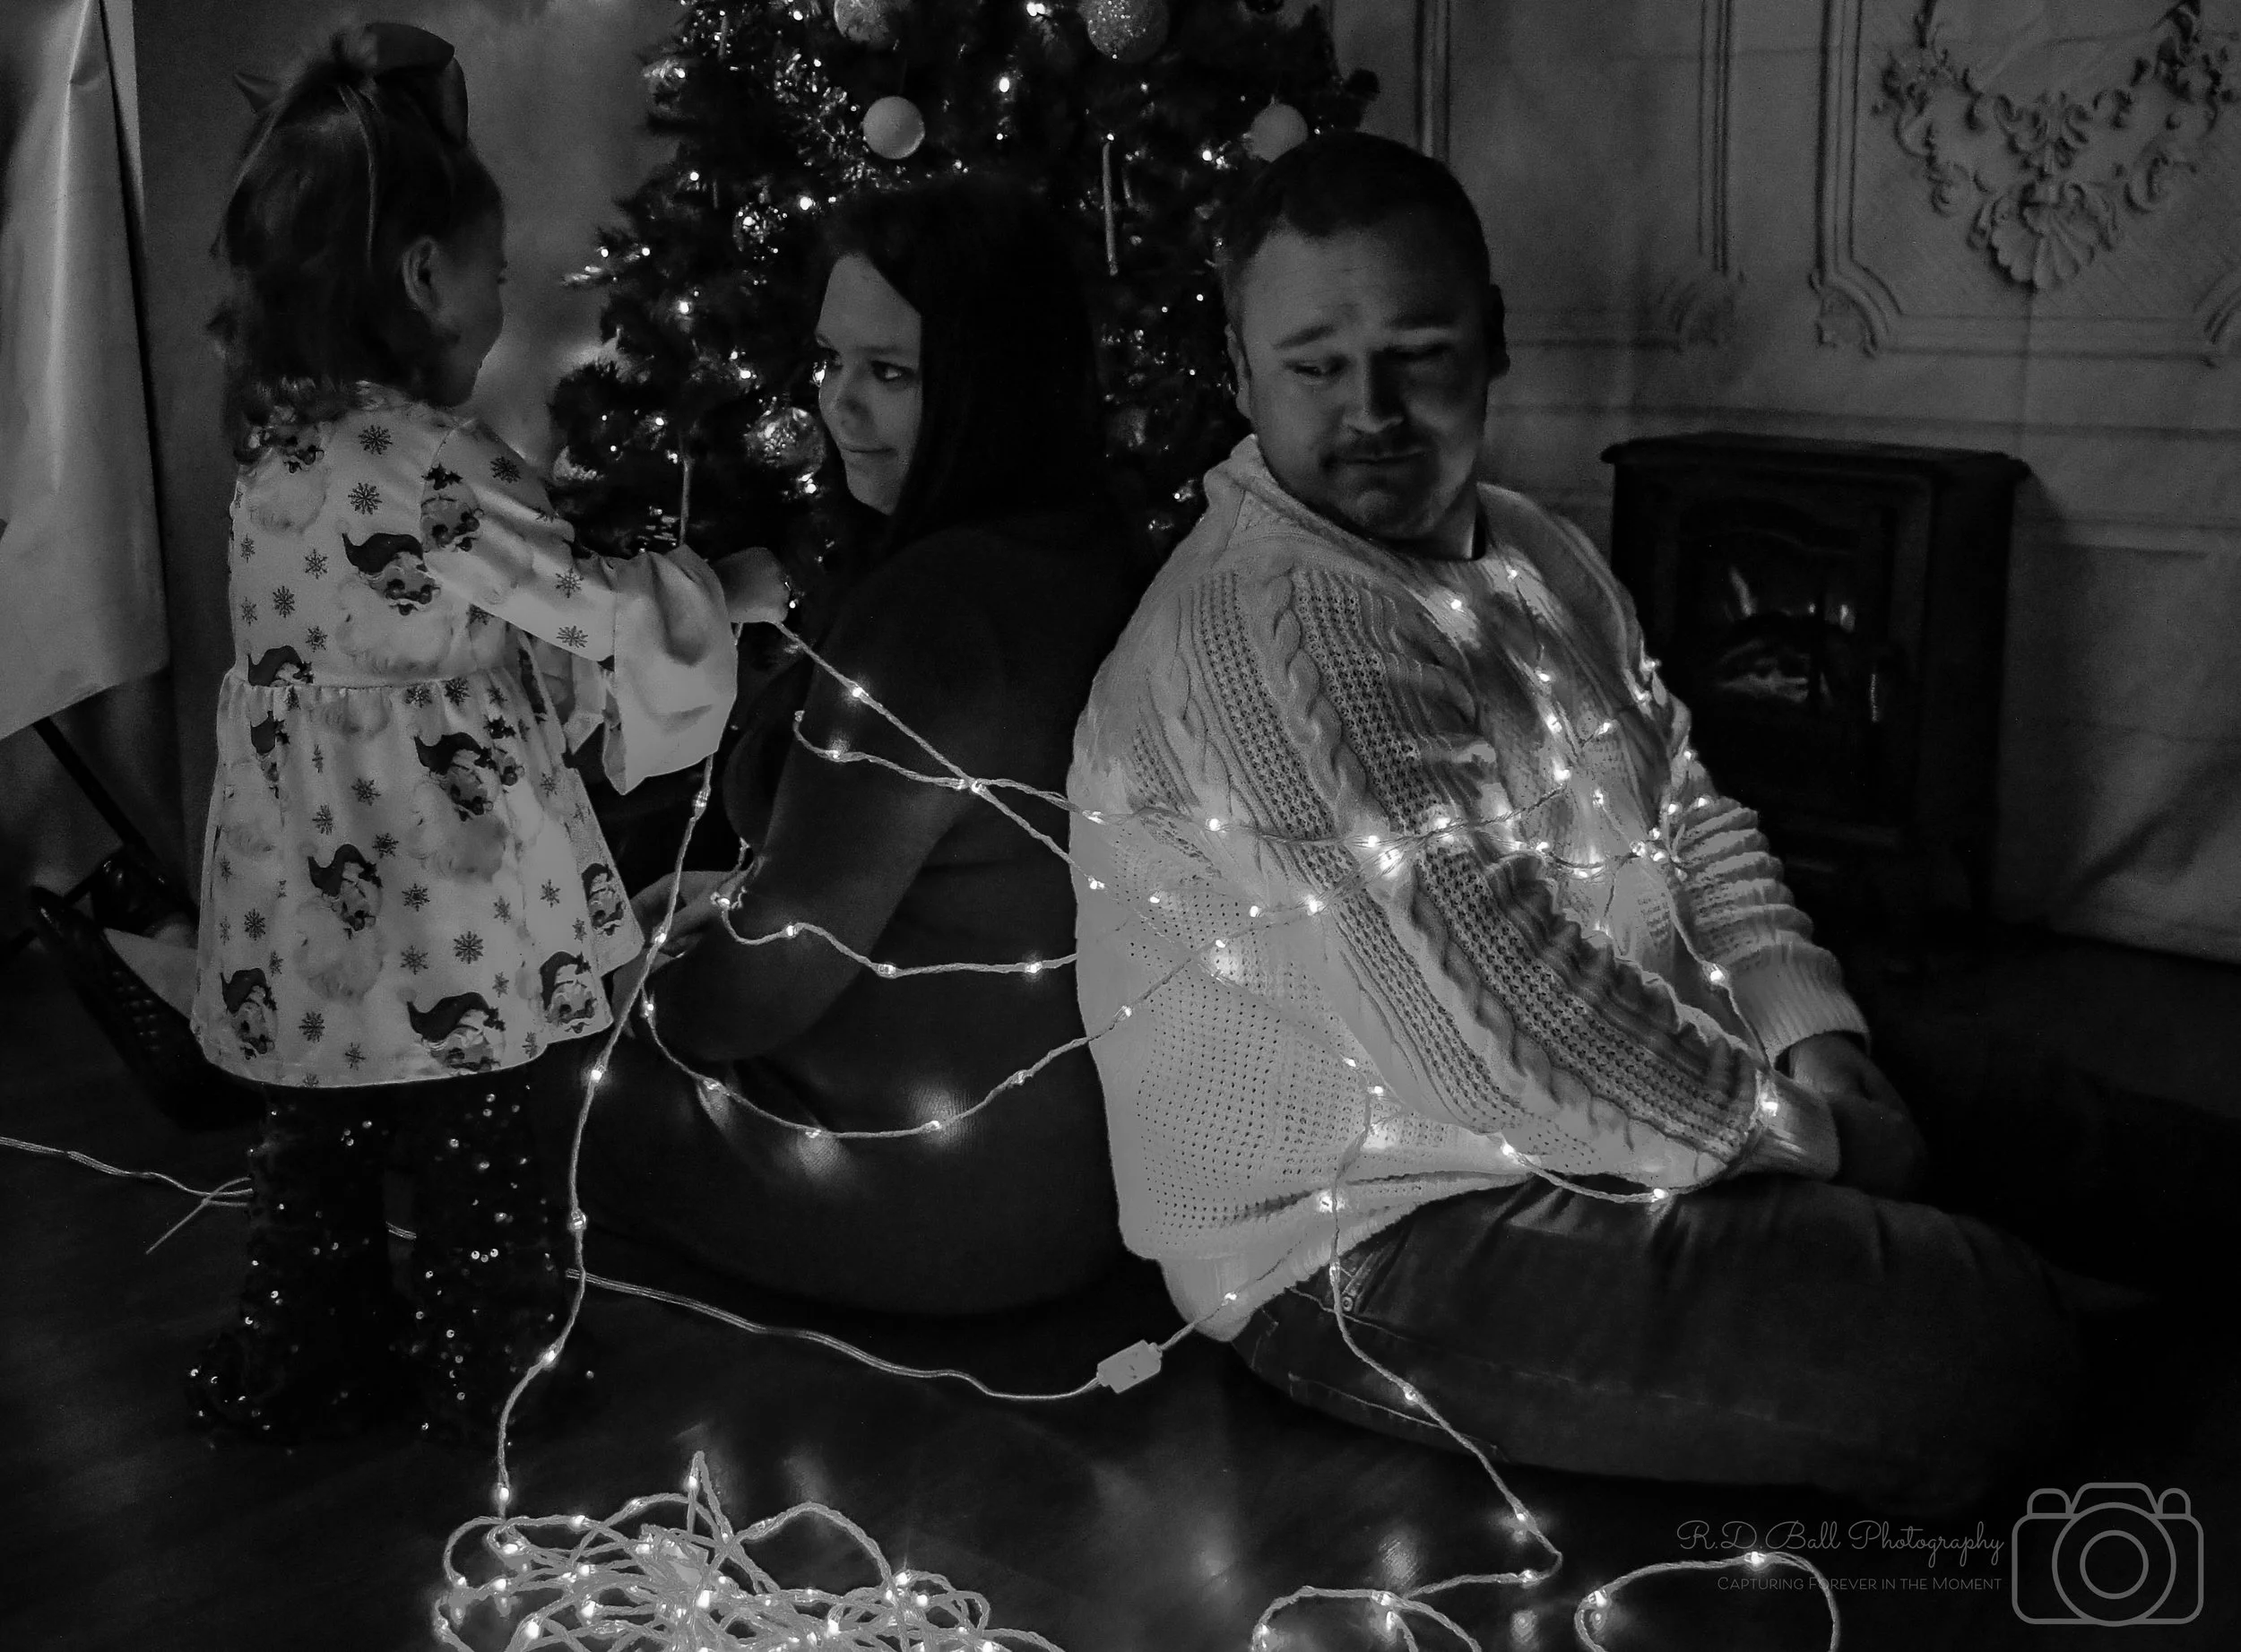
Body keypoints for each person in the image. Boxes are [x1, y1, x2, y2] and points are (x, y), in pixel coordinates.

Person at [1069, 132, 2235, 1517]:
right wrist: (1822, 1143)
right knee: (1990, 1341)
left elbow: (1680, 797)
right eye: (1316, 364)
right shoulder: (1275, 626)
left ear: (1493, 345)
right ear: (1246, 373)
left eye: (1419, 351)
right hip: (1372, 1229)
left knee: (2060, 1124)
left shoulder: (1535, 545)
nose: (1369, 407)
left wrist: (1812, 1027)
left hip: (1622, 1056)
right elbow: (1499, 1024)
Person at [184, 22, 781, 1443]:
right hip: (439, 879)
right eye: (500, 276)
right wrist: (730, 595)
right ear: (425, 276)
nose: (505, 303)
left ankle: (306, 1355)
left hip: (299, 880)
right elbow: (588, 604)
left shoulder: (279, 439)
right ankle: (488, 1360)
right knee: (483, 1126)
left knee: (318, 1134)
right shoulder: (431, 461)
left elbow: (408, 645)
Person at [577, 175, 1138, 1314]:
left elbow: (752, 996)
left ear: (994, 388)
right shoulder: (1098, 552)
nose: (840, 405)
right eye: (831, 361)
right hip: (1077, 1187)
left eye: (891, 373)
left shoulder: (933, 615)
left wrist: (649, 981)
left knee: (505, 1062)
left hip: (916, 1191)